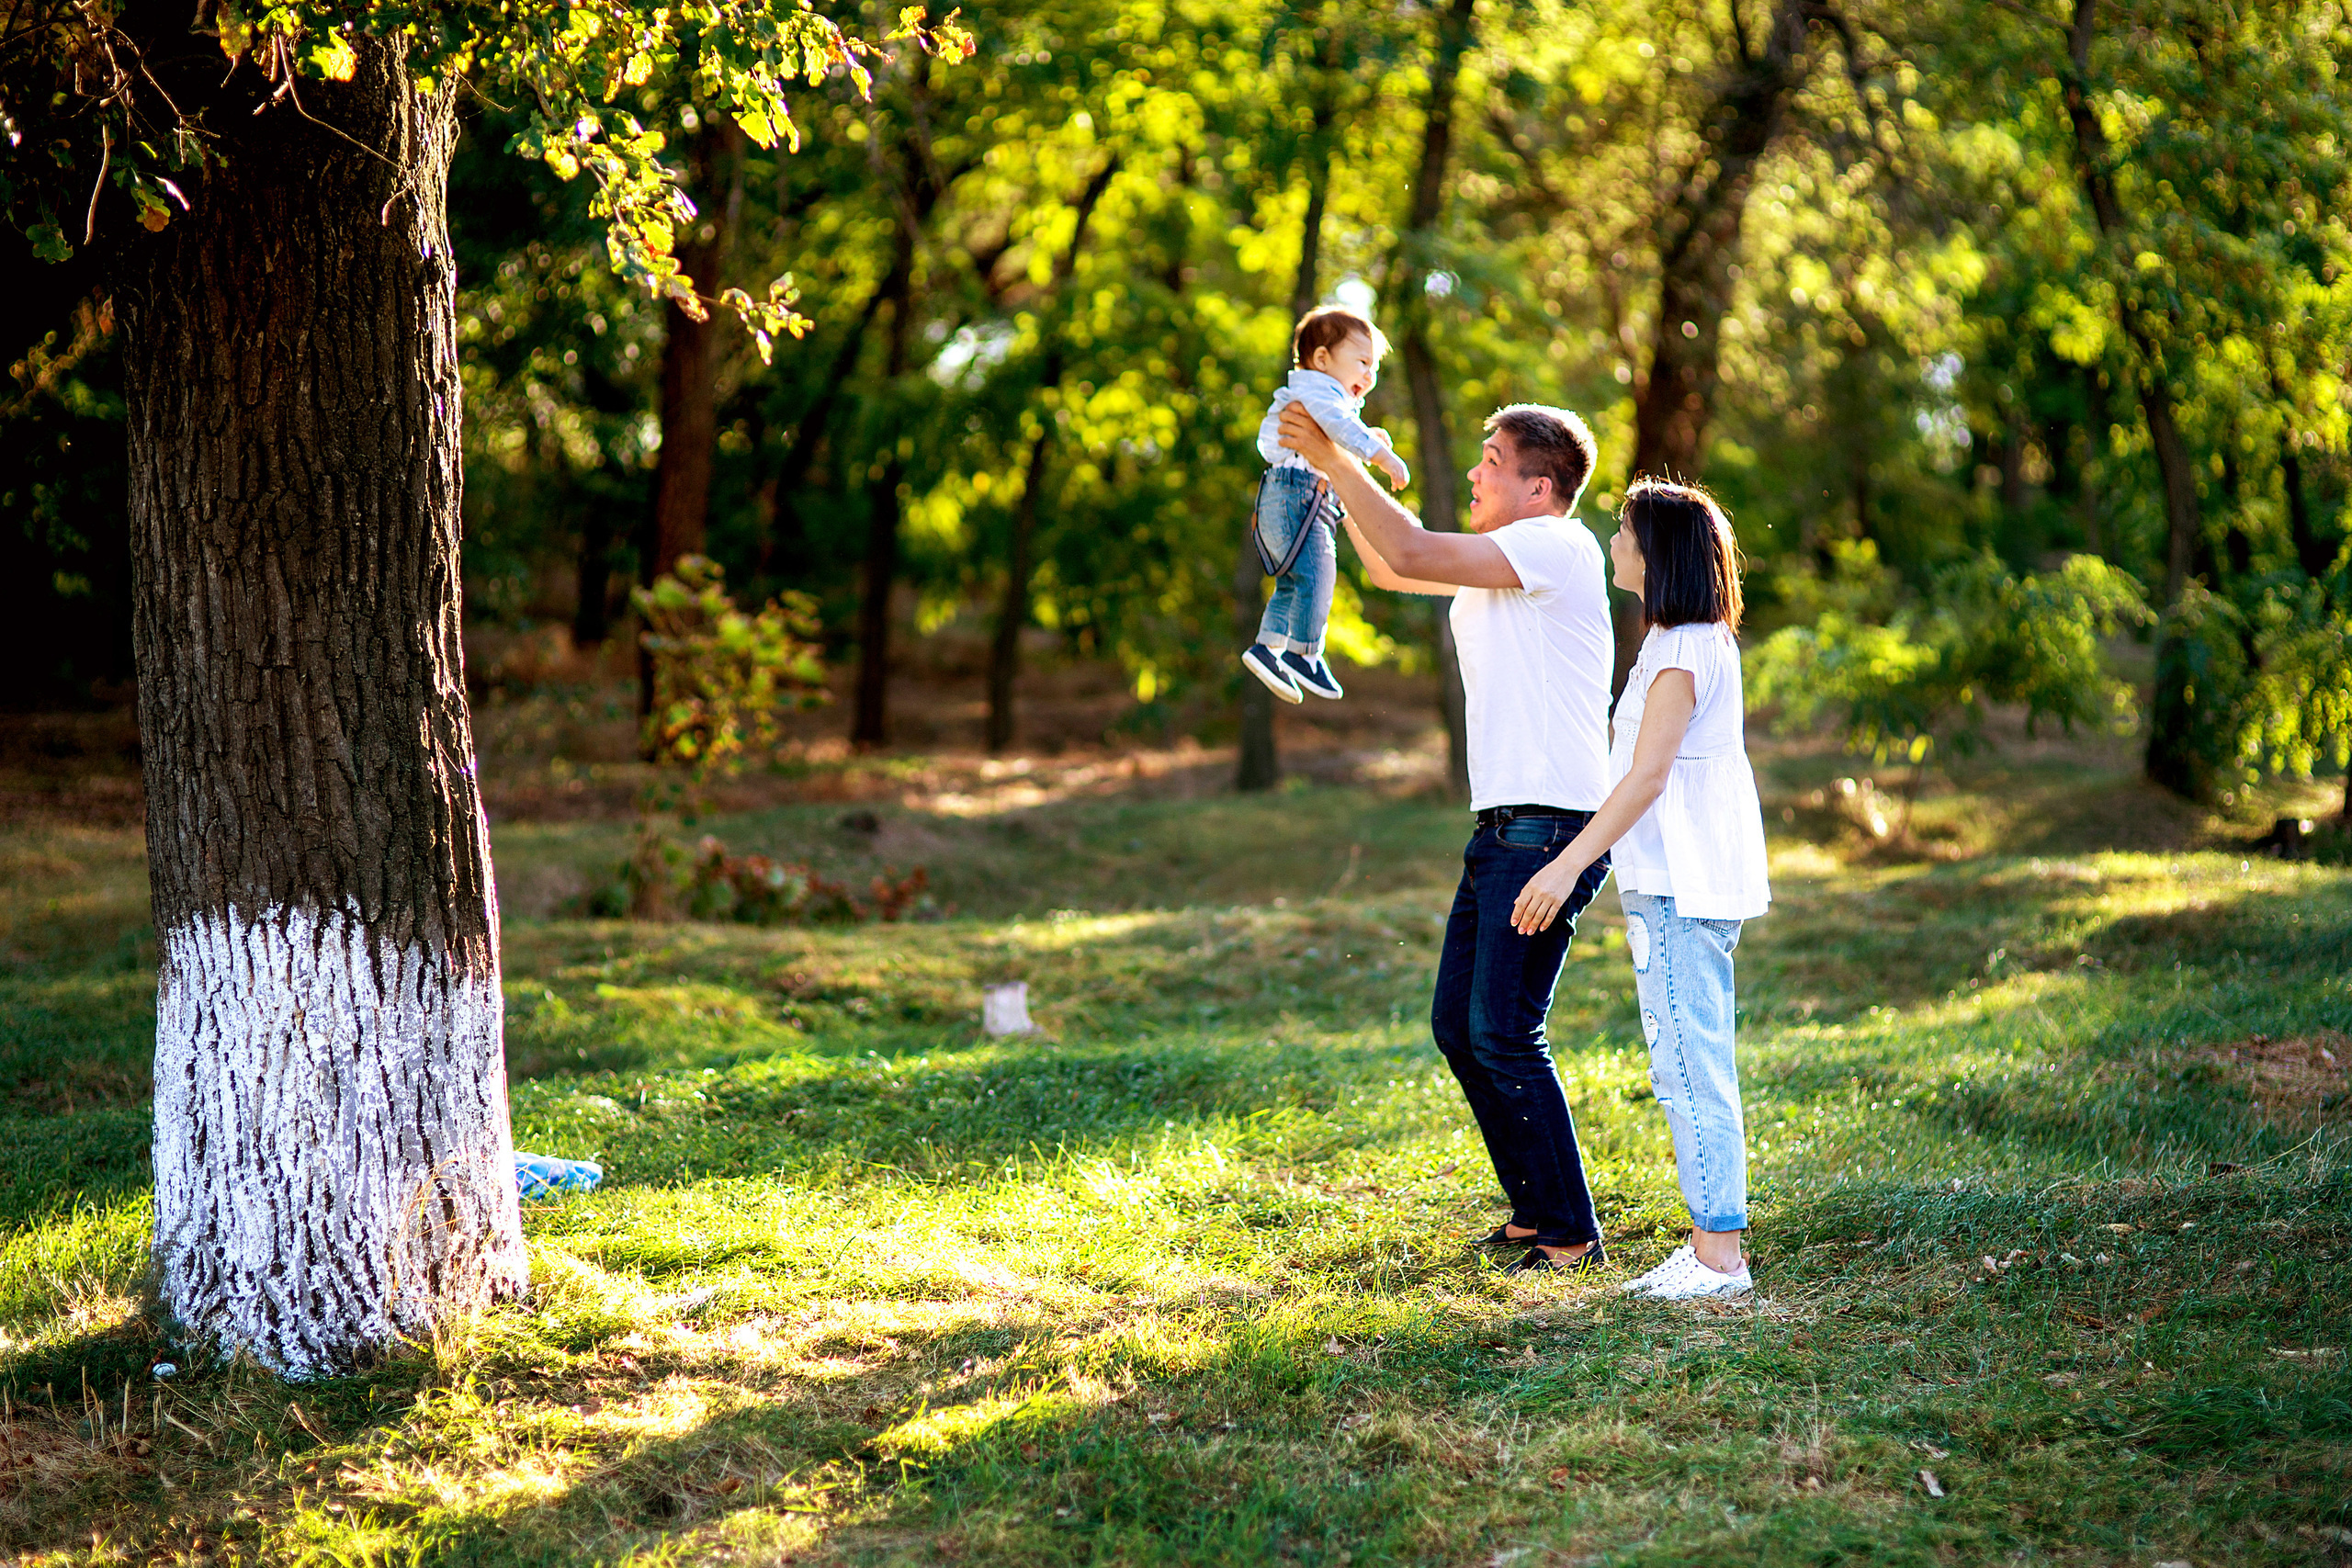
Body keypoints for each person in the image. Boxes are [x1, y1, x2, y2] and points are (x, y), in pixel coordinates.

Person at [1278, 398, 1614, 1275]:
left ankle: (1570, 1231)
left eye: (1492, 461)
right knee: (1459, 1029)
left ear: (1540, 487)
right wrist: (1329, 479)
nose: (1474, 471)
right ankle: (1535, 1214)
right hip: (1504, 825)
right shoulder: (1505, 563)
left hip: (1547, 829)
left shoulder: (1555, 545)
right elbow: (1397, 570)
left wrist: (1335, 449)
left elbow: (1415, 548)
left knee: (1504, 1030)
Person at [1510, 479, 1770, 1301]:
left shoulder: (1686, 645)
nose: (1612, 540)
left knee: (1691, 1065)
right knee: (1685, 1061)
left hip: (1683, 883)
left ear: (1657, 551)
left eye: (1623, 529)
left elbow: (1648, 777)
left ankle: (1718, 1257)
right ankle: (1711, 1243)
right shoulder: (1673, 640)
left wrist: (1565, 864)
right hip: (1671, 879)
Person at [1243, 307, 1411, 705]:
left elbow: (1334, 430)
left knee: (1295, 582)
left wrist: (1366, 435)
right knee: (1319, 575)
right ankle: (1305, 654)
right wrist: (1379, 455)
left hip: (1294, 496)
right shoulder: (1320, 391)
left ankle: (1268, 649)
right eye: (1362, 362)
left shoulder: (1319, 396)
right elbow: (1336, 426)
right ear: (1322, 359)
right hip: (1297, 495)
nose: (1370, 376)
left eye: (1375, 367)